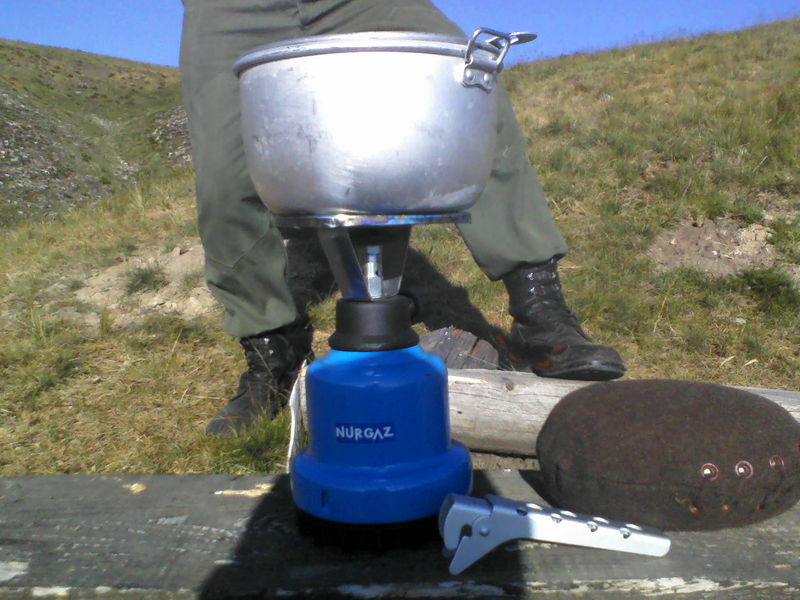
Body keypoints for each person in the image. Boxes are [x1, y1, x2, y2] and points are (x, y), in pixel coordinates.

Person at [179, 0, 625, 436]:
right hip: (232, 10)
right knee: (224, 177)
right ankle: (272, 350)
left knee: (468, 87)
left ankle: (538, 311)